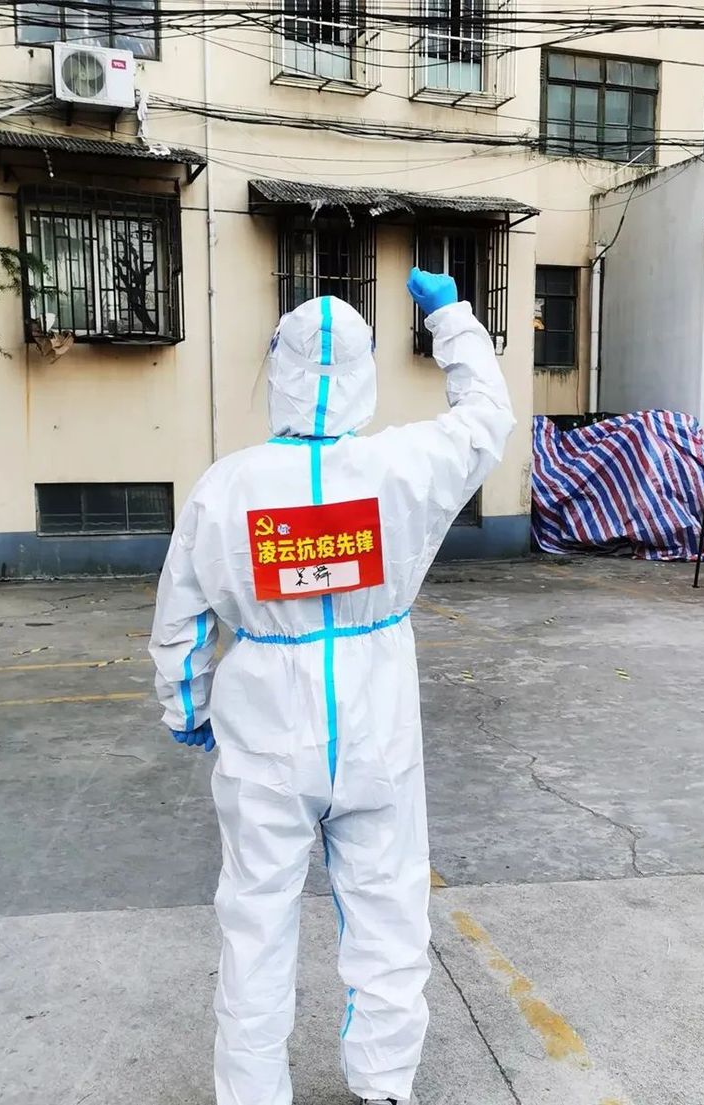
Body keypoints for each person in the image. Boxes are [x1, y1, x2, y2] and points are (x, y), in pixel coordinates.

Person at [149, 269, 514, 1105]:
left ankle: (252, 1092)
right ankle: (383, 1085)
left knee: (255, 918)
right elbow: (486, 417)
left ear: (277, 369)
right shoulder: (405, 466)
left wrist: (187, 706)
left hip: (264, 728)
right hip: (376, 718)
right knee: (388, 909)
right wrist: (451, 320)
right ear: (362, 373)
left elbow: (182, 617)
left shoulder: (227, 486)